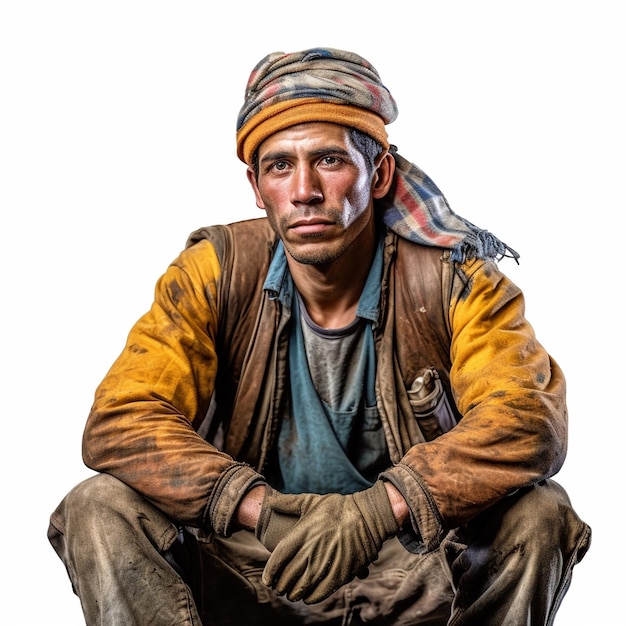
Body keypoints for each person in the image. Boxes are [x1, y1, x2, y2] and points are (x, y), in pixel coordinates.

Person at [48, 47, 591, 625]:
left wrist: (376, 513)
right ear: (256, 187)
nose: (304, 190)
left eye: (329, 160)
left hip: (412, 570)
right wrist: (258, 508)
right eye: (280, 166)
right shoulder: (214, 270)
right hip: (254, 562)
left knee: (539, 513)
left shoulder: (456, 280)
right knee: (100, 505)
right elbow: (121, 420)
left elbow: (529, 422)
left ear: (379, 174)